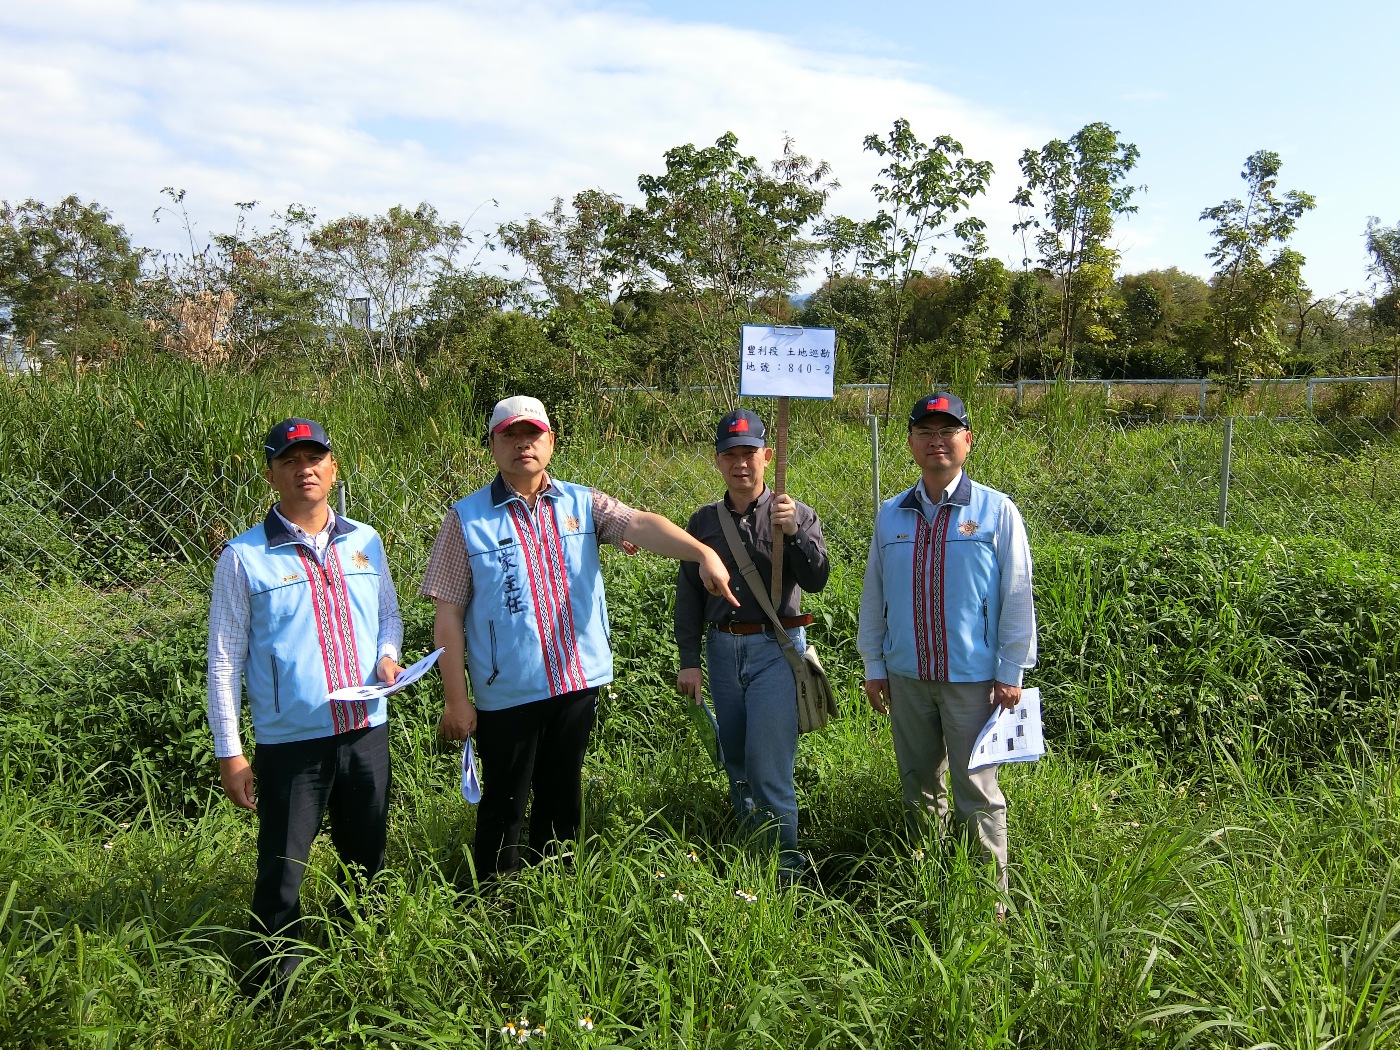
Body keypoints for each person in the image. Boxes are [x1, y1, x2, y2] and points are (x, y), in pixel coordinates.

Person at [422, 395, 738, 882]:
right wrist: (456, 698)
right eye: (510, 435)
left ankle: (555, 895)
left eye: (532, 434)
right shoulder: (465, 520)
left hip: (575, 682)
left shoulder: (580, 503)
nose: (522, 444)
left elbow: (638, 523)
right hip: (506, 693)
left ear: (550, 441)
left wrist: (700, 554)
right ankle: (491, 905)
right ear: (492, 446)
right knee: (504, 806)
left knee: (562, 798)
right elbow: (448, 616)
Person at [206, 417, 404, 982]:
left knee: (366, 854)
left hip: (366, 726)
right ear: (271, 475)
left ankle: (361, 958)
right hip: (291, 742)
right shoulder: (244, 557)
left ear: (333, 468)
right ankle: (273, 987)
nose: (304, 469)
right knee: (283, 868)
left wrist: (388, 654)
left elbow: (388, 615)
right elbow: (224, 659)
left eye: (314, 458)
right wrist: (231, 753)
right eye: (290, 461)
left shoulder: (365, 541)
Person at [858, 392, 1037, 895]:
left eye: (947, 431)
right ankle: (927, 882)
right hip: (907, 676)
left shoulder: (997, 511)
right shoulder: (891, 514)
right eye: (925, 432)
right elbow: (875, 594)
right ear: (912, 443)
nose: (936, 442)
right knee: (918, 785)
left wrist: (1010, 670)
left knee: (976, 791)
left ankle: (988, 900)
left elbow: (1016, 593)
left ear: (967, 440)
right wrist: (874, 662)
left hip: (974, 681)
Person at [674, 409, 830, 878]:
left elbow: (817, 579)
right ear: (717, 461)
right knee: (736, 759)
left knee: (768, 765)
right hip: (723, 651)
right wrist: (689, 660)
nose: (741, 464)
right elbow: (688, 597)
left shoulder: (794, 513)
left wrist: (794, 535)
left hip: (775, 650)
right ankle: (751, 852)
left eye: (749, 454)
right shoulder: (703, 522)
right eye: (730, 455)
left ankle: (786, 868)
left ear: (768, 455)